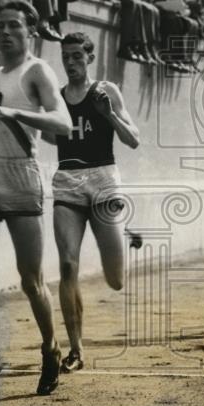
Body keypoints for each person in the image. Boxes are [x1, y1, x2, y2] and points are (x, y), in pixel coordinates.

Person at [0, 0, 73, 396]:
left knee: (31, 280)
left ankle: (51, 347)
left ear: (30, 31)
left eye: (13, 26)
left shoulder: (38, 71)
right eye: (0, 26)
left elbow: (62, 124)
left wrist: (18, 116)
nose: (4, 32)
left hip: (22, 179)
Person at [44, 32, 141, 373]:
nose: (70, 63)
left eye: (76, 56)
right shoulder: (57, 97)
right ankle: (76, 349)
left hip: (103, 182)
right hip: (68, 182)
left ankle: (121, 231)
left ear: (89, 57)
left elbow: (134, 140)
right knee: (67, 265)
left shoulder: (106, 90)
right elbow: (47, 134)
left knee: (116, 280)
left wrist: (108, 114)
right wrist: (46, 117)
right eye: (65, 57)